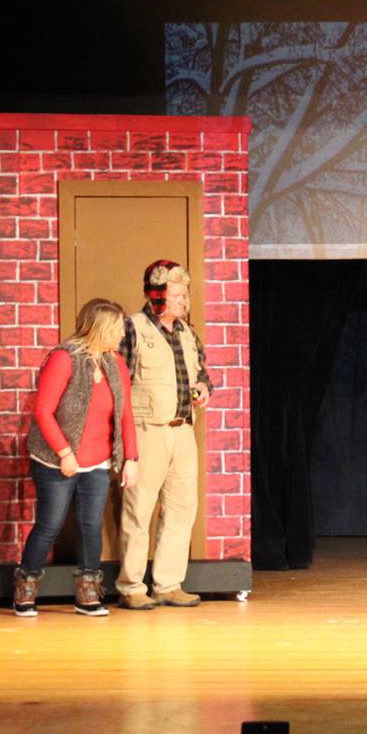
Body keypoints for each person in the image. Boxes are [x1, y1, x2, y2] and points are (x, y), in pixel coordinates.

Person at [14, 299, 140, 617]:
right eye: (116, 330)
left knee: (90, 525)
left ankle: (87, 591)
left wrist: (131, 457)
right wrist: (64, 453)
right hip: (57, 458)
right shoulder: (64, 358)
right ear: (99, 329)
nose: (121, 336)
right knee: (50, 524)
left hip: (96, 459)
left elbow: (125, 414)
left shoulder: (115, 363)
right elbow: (43, 410)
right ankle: (26, 585)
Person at [115, 260, 212, 610]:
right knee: (139, 510)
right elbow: (118, 384)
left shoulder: (188, 333)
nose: (183, 299)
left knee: (181, 508)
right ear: (157, 296)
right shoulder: (132, 328)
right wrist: (123, 443)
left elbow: (202, 373)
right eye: (176, 293)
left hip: (182, 429)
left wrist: (203, 387)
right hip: (147, 431)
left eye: (184, 292)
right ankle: (131, 586)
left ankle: (168, 583)